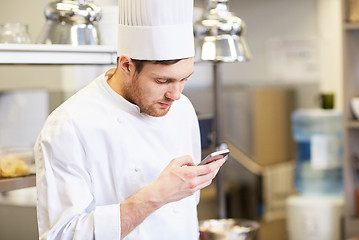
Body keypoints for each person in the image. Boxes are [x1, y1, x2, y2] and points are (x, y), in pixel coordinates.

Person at [34, 0, 226, 239]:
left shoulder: (182, 108)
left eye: (184, 79)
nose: (175, 94)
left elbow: (186, 209)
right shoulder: (69, 125)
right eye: (162, 81)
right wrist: (156, 195)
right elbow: (62, 235)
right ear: (126, 65)